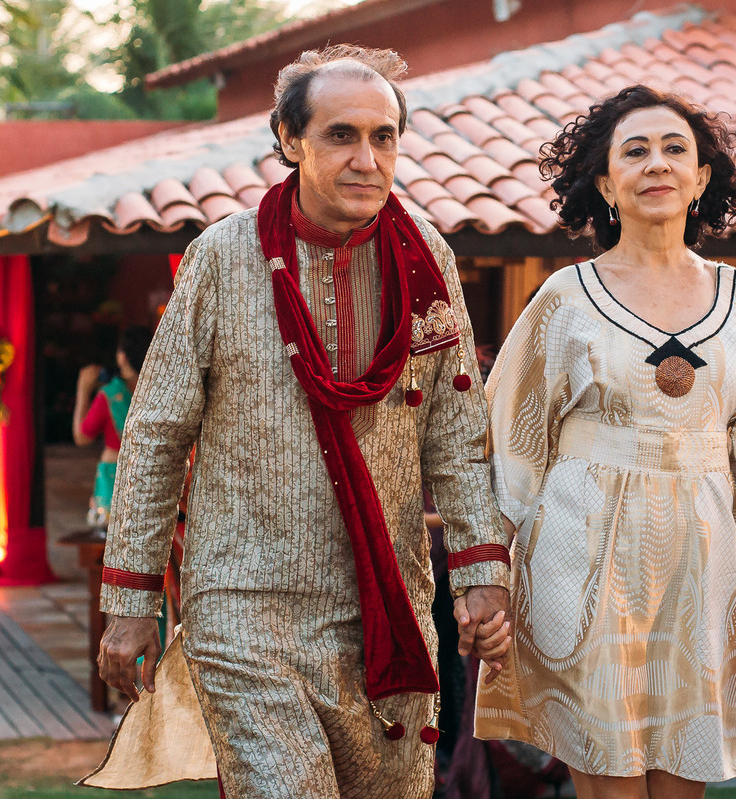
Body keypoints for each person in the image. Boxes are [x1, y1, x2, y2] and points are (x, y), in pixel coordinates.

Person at [92, 46, 512, 799]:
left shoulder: (425, 259)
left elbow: (456, 434)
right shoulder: (222, 257)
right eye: (341, 135)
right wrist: (129, 603)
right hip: (243, 602)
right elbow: (156, 434)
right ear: (290, 140)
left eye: (383, 137)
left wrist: (481, 576)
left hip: (385, 601)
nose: (366, 159)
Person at [475, 85, 736, 799]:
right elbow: (509, 447)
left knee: (686, 780)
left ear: (701, 178)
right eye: (635, 151)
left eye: (674, 149)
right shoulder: (565, 298)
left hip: (701, 570)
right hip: (581, 562)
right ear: (605, 184)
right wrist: (487, 584)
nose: (656, 163)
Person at [72, 326, 151, 530]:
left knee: (111, 537)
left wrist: (83, 390)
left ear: (122, 357)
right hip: (149, 476)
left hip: (114, 478)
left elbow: (82, 437)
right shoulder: (156, 393)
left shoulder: (111, 394)